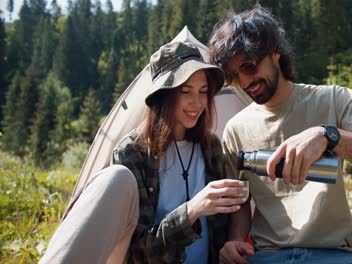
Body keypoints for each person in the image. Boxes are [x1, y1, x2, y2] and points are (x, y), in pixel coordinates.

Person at [208, 7, 352, 264]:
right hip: (269, 257)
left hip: (336, 255)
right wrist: (236, 241)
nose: (245, 81)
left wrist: (330, 136)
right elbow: (241, 197)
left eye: (249, 66)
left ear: (275, 51)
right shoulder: (236, 129)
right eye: (234, 76)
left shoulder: (334, 100)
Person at [40, 41, 248, 264]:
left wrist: (231, 245)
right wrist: (191, 211)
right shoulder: (132, 153)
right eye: (185, 91)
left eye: (203, 91)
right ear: (163, 95)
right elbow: (138, 250)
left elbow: (226, 224)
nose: (197, 103)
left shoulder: (211, 147)